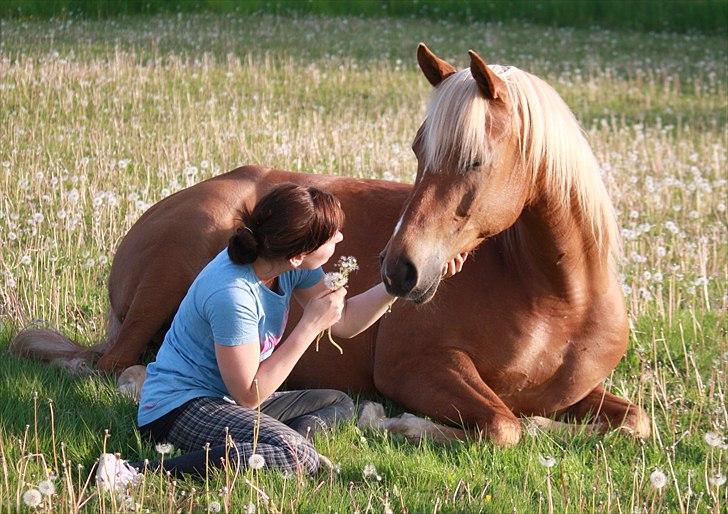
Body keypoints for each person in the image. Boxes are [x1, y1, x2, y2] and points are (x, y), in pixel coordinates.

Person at [96, 183, 467, 488]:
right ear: (298, 254)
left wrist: (398, 286)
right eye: (331, 235)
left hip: (227, 401)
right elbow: (249, 394)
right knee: (295, 453)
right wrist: (307, 328)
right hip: (180, 407)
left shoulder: (287, 266)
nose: (340, 236)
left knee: (336, 404)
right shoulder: (233, 295)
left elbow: (346, 322)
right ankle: (134, 472)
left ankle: (278, 452)